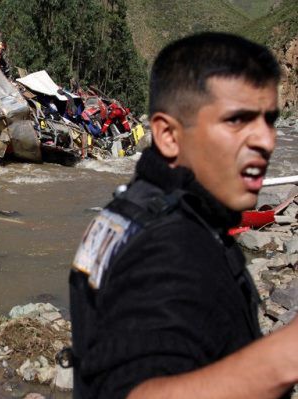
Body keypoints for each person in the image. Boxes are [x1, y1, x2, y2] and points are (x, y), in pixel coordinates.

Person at [69, 32, 298, 399]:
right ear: (168, 135)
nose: (266, 140)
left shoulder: (129, 210)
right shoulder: (171, 247)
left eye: (269, 120)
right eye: (238, 120)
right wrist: (286, 357)